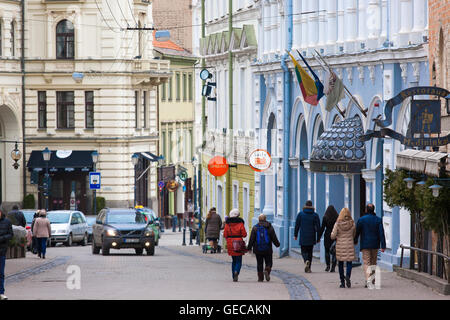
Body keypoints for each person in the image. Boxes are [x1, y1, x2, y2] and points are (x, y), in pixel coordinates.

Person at [354, 203, 386, 288]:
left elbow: (357, 231)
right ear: (373, 210)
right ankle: (372, 279)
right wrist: (383, 245)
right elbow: (381, 233)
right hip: (375, 244)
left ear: (366, 210)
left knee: (366, 262)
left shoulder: (361, 220)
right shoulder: (378, 220)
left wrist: (355, 240)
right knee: (373, 262)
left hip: (365, 244)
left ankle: (368, 280)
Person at [247, 214, 280, 282]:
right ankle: (267, 270)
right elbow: (273, 237)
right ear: (265, 219)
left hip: (258, 249)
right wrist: (277, 244)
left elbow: (252, 239)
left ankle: (260, 278)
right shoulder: (269, 227)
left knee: (259, 263)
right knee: (269, 262)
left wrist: (249, 248)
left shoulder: (255, 228)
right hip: (268, 249)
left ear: (258, 219)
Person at [331, 208, 356, 288]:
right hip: (349, 245)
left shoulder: (337, 223)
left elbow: (333, 236)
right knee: (349, 262)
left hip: (340, 246)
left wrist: (334, 236)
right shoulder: (352, 223)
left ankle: (342, 282)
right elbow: (354, 234)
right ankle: (348, 276)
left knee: (340, 264)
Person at [294, 200, 321, 273]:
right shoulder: (315, 215)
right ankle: (309, 267)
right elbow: (318, 227)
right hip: (312, 236)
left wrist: (295, 235)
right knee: (310, 252)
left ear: (305, 205)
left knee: (303, 251)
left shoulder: (300, 214)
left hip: (303, 236)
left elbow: (297, 225)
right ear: (312, 206)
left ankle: (306, 261)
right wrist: (318, 237)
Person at [223, 208, 247, 282]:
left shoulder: (227, 224)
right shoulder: (240, 224)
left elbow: (225, 234)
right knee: (239, 260)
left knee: (233, 260)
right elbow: (244, 234)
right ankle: (237, 271)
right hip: (238, 242)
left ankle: (234, 275)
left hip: (230, 242)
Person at [318, 205, 339, 272]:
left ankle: (328, 266)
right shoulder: (337, 217)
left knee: (327, 251)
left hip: (327, 235)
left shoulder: (325, 217)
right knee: (334, 251)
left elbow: (322, 228)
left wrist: (318, 237)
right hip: (335, 235)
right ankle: (333, 267)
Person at [0, 208, 13, 300]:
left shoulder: (7, 222)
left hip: (1, 251)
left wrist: (3, 238)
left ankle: (1, 292)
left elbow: (11, 234)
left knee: (1, 273)